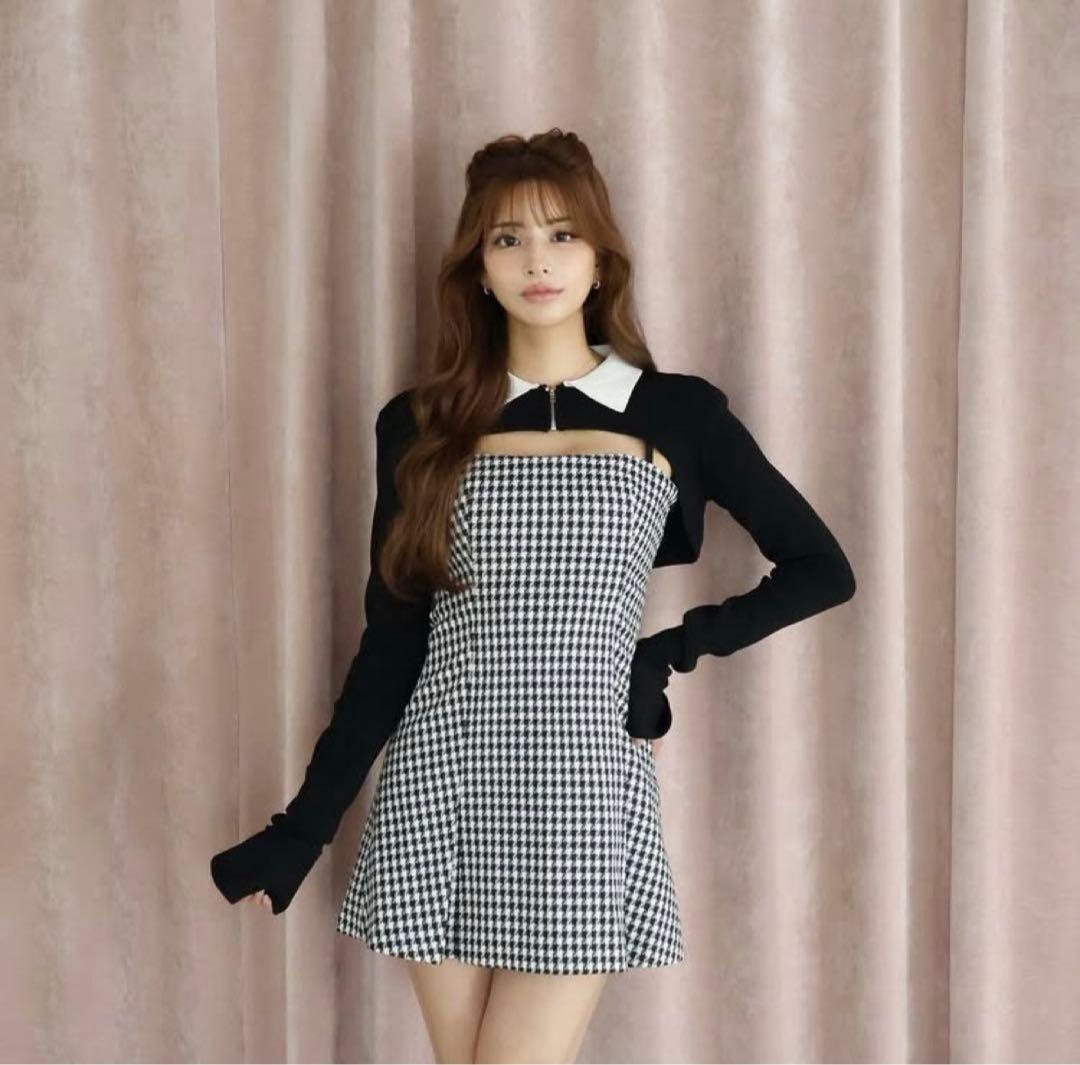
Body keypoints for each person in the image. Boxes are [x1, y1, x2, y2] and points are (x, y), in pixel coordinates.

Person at [211, 128, 856, 1064]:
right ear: (478, 268)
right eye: (507, 239)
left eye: (561, 234)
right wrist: (301, 829)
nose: (537, 261)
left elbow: (820, 566)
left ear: (600, 258)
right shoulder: (421, 425)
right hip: (442, 777)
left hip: (581, 785)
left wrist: (666, 650)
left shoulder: (677, 411)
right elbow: (392, 645)